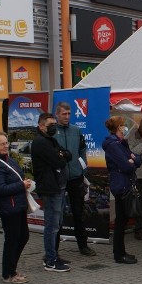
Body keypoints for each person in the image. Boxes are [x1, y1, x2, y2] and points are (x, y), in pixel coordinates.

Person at [0, 131, 32, 283]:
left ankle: (12, 267)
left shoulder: (9, 160)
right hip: (8, 207)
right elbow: (0, 189)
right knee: (12, 239)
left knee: (23, 236)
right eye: (2, 144)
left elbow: (16, 177)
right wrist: (21, 184)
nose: (6, 146)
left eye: (6, 143)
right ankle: (8, 273)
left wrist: (24, 181)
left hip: (18, 205)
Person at [53, 101, 96, 257]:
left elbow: (83, 149)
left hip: (76, 178)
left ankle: (83, 246)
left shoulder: (76, 130)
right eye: (64, 114)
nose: (67, 116)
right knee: (57, 216)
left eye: (69, 114)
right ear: (57, 114)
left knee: (78, 213)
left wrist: (81, 166)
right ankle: (54, 250)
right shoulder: (53, 132)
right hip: (59, 178)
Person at [31, 112, 72, 272]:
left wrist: (61, 155)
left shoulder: (51, 140)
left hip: (59, 187)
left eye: (55, 125)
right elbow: (60, 161)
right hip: (50, 189)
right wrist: (61, 156)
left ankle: (53, 255)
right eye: (51, 125)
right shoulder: (41, 142)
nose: (54, 128)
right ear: (41, 126)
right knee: (52, 225)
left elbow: (68, 154)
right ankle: (50, 260)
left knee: (57, 223)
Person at [102, 116, 141, 264]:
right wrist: (131, 161)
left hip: (125, 183)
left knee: (123, 220)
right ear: (118, 127)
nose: (125, 128)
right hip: (121, 186)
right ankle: (119, 254)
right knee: (121, 221)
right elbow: (126, 166)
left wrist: (132, 160)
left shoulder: (120, 143)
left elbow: (137, 159)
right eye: (123, 125)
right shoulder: (113, 145)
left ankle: (120, 251)